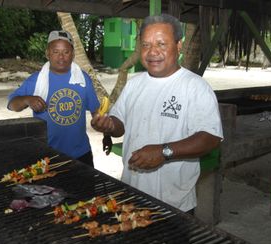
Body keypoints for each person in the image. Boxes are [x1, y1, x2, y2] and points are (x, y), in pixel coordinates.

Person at [91, 14, 223, 214]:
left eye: (161, 44)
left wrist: (164, 152)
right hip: (132, 191)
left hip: (175, 201)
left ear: (178, 46)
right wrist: (109, 126)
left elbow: (211, 138)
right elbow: (119, 125)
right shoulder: (134, 84)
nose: (152, 52)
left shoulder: (196, 87)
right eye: (145, 45)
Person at [7, 30, 100, 167]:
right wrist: (27, 99)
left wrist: (106, 132)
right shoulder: (36, 80)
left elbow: (96, 111)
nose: (61, 57)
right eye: (56, 51)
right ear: (47, 53)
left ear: (73, 54)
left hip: (81, 153)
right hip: (47, 155)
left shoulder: (82, 79)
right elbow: (11, 104)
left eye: (66, 52)